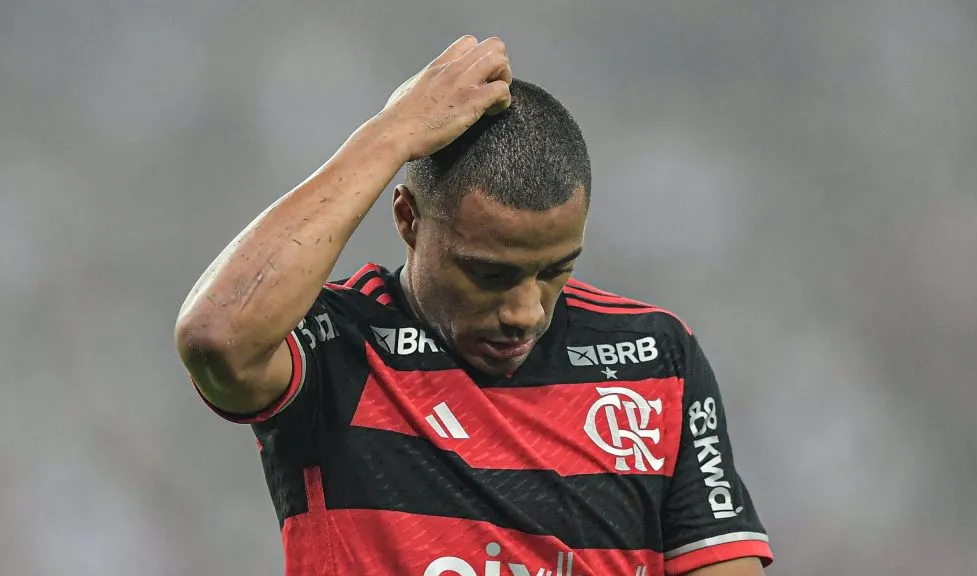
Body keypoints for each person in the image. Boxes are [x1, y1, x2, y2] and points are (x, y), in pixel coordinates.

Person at [175, 35, 774, 576]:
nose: (524, 312)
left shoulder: (655, 357)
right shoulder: (337, 348)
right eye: (490, 274)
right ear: (408, 218)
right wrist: (392, 134)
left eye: (554, 271)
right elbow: (217, 335)